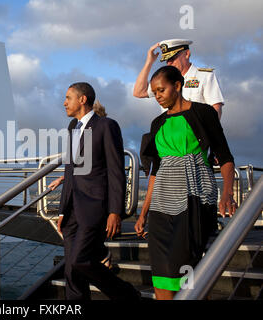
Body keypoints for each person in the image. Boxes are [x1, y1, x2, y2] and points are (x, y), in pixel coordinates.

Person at [134, 66, 236, 300]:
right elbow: (155, 171)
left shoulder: (202, 113)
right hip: (161, 203)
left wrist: (227, 193)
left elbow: (225, 156)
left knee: (185, 271)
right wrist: (143, 212)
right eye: (154, 92)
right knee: (161, 274)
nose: (157, 95)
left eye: (161, 90)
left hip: (194, 198)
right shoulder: (157, 123)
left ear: (178, 86)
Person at [48, 82, 140, 301]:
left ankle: (128, 295)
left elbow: (116, 171)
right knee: (71, 271)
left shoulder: (106, 126)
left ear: (82, 99)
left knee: (80, 260)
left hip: (94, 208)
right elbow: (70, 170)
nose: (64, 102)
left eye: (68, 97)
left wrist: (114, 211)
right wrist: (62, 211)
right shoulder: (72, 127)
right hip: (71, 211)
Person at [133, 39, 225, 119]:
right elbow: (139, 92)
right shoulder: (165, 79)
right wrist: (149, 62)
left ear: (187, 54)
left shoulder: (205, 76)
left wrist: (208, 133)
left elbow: (216, 108)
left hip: (196, 134)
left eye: (172, 58)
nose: (169, 63)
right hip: (171, 134)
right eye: (167, 60)